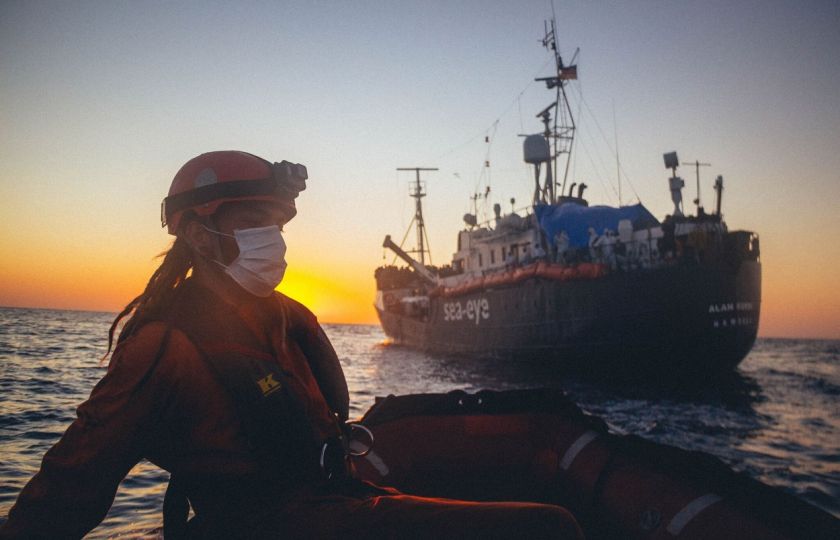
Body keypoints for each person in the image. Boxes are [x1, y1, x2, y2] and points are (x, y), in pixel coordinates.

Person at [0, 151, 583, 539]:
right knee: (548, 529)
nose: (272, 239)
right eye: (254, 220)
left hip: (335, 503)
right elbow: (72, 480)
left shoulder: (286, 317)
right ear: (200, 236)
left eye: (277, 223)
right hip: (270, 525)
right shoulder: (164, 345)